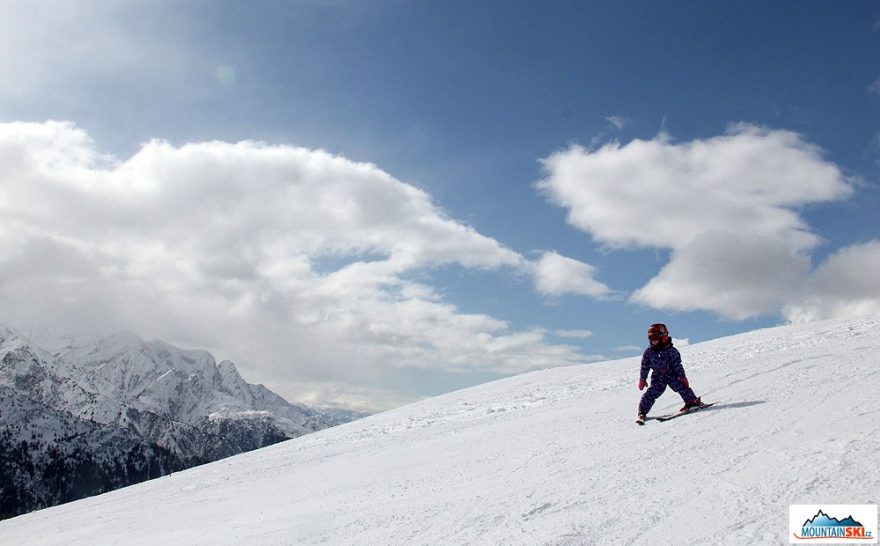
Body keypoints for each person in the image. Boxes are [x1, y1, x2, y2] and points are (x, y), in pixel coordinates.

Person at [636, 323, 702, 424]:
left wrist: (682, 377)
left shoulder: (672, 351)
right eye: (651, 338)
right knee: (651, 393)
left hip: (672, 374)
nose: (653, 341)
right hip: (658, 376)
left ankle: (692, 401)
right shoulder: (649, 352)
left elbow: (677, 365)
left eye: (655, 338)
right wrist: (642, 379)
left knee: (681, 386)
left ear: (663, 337)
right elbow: (645, 366)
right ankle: (642, 412)